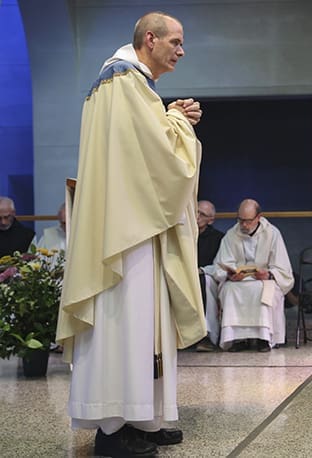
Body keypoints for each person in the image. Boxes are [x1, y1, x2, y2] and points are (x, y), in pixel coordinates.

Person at [56, 12, 205, 456]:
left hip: (137, 223)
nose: (181, 50)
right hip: (127, 232)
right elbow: (162, 157)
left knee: (146, 325)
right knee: (127, 321)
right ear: (150, 38)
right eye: (175, 42)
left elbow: (144, 144)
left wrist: (168, 113)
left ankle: (145, 418)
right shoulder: (123, 80)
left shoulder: (130, 84)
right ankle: (115, 427)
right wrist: (179, 122)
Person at [211, 199, 294, 352]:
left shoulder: (272, 234)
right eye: (241, 220)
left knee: (261, 290)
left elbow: (283, 268)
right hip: (238, 281)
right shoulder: (231, 235)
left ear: (258, 217)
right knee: (230, 291)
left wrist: (269, 274)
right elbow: (220, 265)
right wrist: (230, 275)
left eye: (248, 221)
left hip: (263, 280)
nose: (244, 225)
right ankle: (236, 339)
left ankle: (263, 338)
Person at [196, 200, 224, 351]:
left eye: (202, 214)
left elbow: (221, 264)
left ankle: (207, 336)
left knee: (204, 282)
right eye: (196, 212)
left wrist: (203, 270)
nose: (197, 216)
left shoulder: (219, 238)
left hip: (208, 277)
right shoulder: (184, 237)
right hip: (187, 277)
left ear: (211, 219)